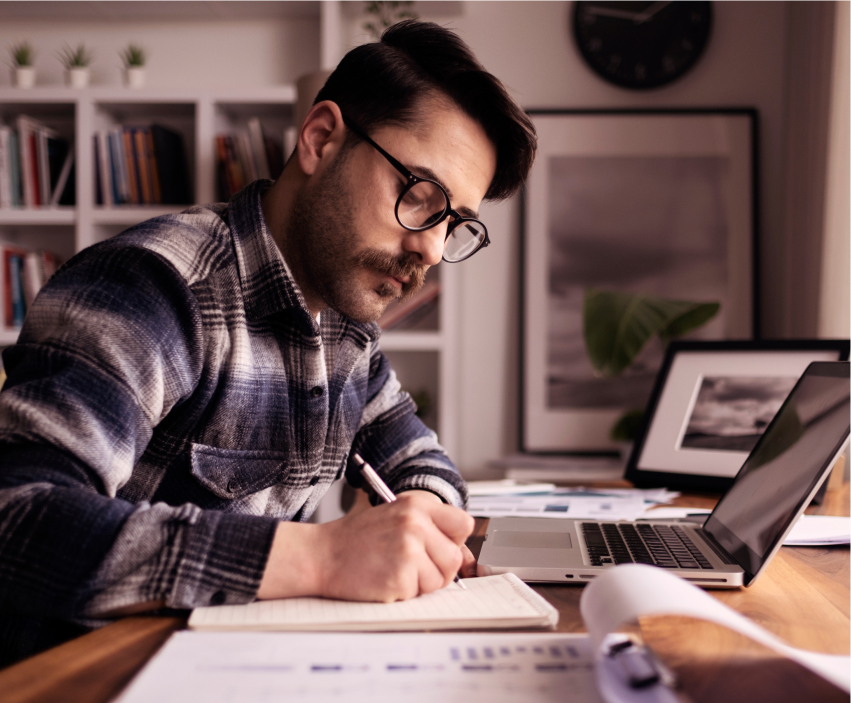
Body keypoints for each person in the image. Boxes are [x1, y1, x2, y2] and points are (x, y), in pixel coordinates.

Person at [0, 20, 537, 666]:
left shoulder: (346, 328)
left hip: (246, 666)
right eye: (420, 197)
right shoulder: (155, 288)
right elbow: (20, 520)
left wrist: (420, 517)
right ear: (320, 139)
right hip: (81, 679)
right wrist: (323, 555)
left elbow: (419, 460)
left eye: (454, 224)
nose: (430, 246)